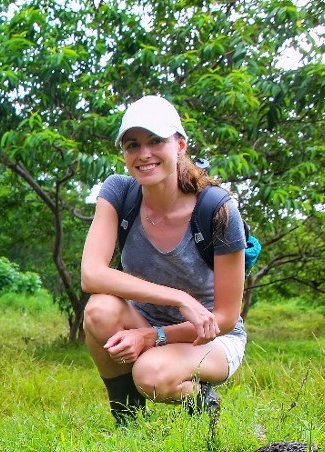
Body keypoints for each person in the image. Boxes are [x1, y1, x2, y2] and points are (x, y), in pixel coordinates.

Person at [81, 95, 247, 426]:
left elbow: (225, 318)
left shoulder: (216, 209)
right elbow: (91, 275)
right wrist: (179, 298)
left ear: (180, 145)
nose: (144, 154)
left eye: (155, 141)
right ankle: (129, 423)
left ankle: (202, 402)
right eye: (132, 145)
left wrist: (154, 337)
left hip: (210, 337)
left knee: (151, 374)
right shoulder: (119, 193)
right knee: (99, 310)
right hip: (145, 320)